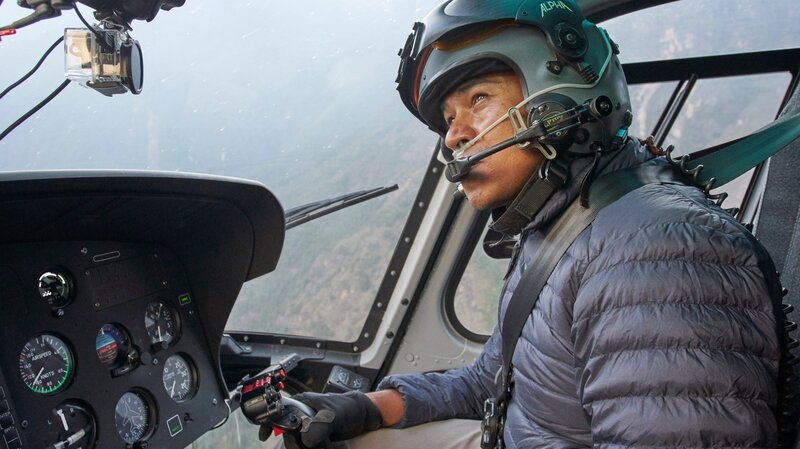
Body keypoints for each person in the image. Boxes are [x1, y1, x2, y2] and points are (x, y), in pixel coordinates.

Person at [266, 0, 788, 447]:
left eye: (478, 100)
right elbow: (492, 381)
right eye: (449, 119)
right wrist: (368, 408)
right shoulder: (565, 224)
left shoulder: (654, 252)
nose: (454, 137)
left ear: (560, 102)